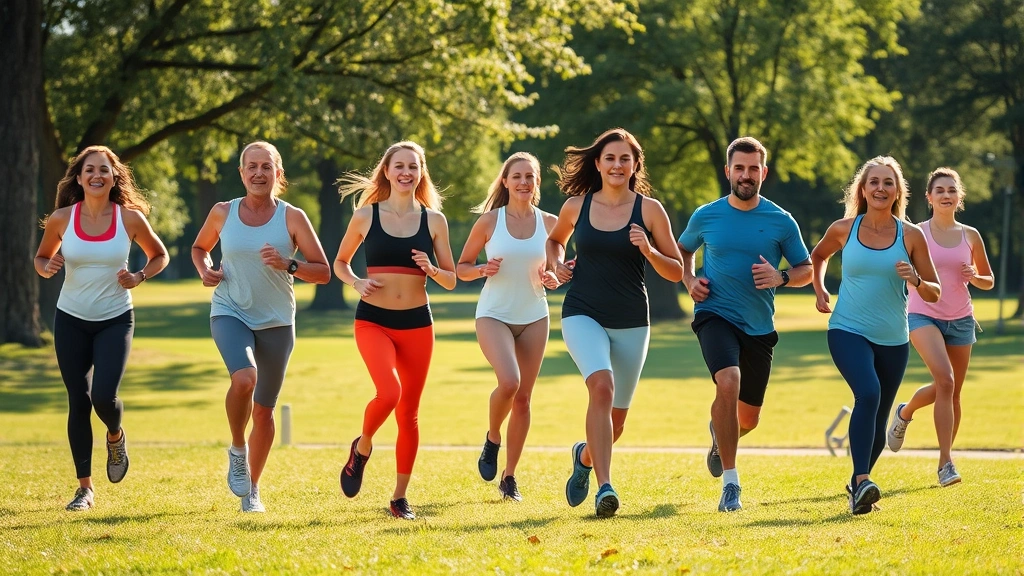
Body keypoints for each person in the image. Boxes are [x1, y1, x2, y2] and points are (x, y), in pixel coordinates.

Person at [546, 128, 683, 518]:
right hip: (582, 310)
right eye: (610, 158)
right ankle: (605, 487)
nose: (617, 165)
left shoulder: (650, 210)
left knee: (616, 422)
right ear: (598, 164)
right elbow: (555, 241)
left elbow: (676, 272)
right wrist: (556, 265)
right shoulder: (577, 205)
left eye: (625, 158)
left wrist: (649, 249)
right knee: (601, 388)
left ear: (635, 164)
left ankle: (585, 457)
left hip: (631, 321)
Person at [192, 141, 331, 512]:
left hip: (277, 321)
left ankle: (252, 489)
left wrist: (289, 264)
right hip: (230, 309)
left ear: (278, 174)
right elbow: (199, 248)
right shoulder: (223, 212)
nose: (258, 173)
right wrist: (205, 269)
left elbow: (323, 271)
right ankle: (238, 447)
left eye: (266, 167)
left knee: (265, 411)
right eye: (251, 166)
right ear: (241, 173)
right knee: (244, 379)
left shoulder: (293, 217)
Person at [678, 137, 812, 513]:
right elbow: (683, 250)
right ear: (728, 171)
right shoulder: (706, 215)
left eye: (754, 168)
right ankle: (731, 486)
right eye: (740, 168)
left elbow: (806, 269)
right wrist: (690, 281)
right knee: (728, 380)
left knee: (748, 418)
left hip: (758, 326)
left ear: (763, 173)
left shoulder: (781, 221)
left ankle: (720, 436)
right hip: (715, 314)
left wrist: (781, 277)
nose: (746, 175)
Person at [34, 145, 169, 511]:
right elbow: (41, 257)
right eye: (89, 170)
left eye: (104, 170)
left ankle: (115, 435)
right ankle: (85, 489)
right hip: (71, 319)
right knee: (78, 401)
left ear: (114, 177)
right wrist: (46, 267)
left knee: (103, 398)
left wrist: (139, 275)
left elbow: (160, 255)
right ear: (79, 177)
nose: (97, 175)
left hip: (114, 318)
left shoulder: (130, 219)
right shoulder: (62, 218)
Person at [334, 141, 457, 520]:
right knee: (389, 392)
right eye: (398, 166)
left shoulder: (434, 220)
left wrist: (431, 269)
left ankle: (399, 497)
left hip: (418, 324)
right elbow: (340, 263)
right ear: (386, 171)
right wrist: (356, 282)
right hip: (373, 319)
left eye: (413, 167)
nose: (406, 172)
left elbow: (452, 279)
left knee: (409, 414)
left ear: (421, 173)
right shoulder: (365, 215)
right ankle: (363, 446)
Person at [811, 156, 940, 515]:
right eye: (874, 182)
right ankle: (862, 479)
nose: (880, 188)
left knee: (881, 412)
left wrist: (914, 278)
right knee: (868, 392)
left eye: (888, 182)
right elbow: (818, 256)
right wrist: (820, 290)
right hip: (847, 328)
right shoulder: (844, 228)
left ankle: (858, 491)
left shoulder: (911, 235)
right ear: (863, 189)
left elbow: (934, 292)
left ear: (898, 190)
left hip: (894, 338)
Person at [456, 152, 559, 501]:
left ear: (537, 182)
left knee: (525, 399)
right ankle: (492, 437)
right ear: (505, 181)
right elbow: (462, 267)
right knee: (510, 382)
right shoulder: (489, 222)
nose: (523, 182)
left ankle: (509, 477)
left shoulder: (551, 224)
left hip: (534, 315)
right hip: (494, 314)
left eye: (530, 176)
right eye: (517, 176)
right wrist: (480, 271)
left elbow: (559, 270)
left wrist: (553, 277)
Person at [886, 167, 994, 486]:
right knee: (945, 381)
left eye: (951, 190)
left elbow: (989, 281)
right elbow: (896, 268)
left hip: (961, 318)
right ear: (929, 197)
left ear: (958, 196)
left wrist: (975, 276)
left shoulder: (970, 235)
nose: (946, 195)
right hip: (923, 314)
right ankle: (946, 465)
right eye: (940, 190)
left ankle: (905, 412)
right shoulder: (915, 232)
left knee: (951, 390)